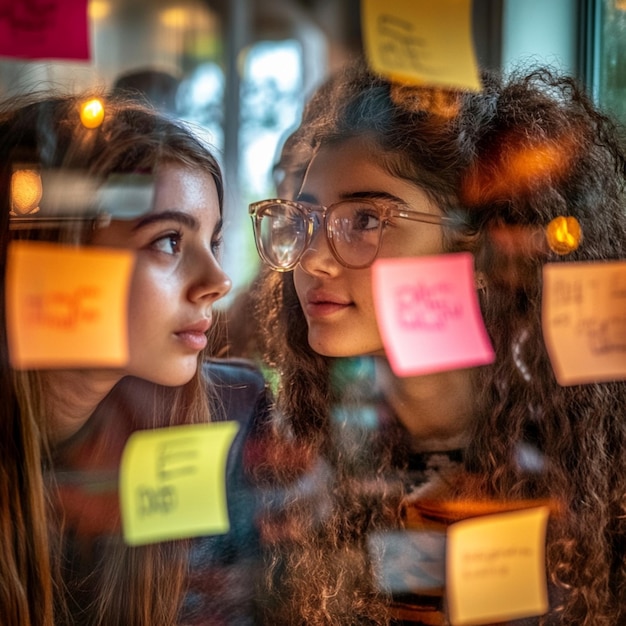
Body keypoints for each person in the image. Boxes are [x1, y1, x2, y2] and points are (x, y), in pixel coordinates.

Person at [248, 59, 626, 625]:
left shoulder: (589, 469)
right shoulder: (309, 453)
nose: (314, 259)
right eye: (305, 219)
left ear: (475, 245)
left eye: (365, 219)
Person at [0, 92, 267, 625]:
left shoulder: (236, 415)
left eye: (214, 242)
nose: (218, 282)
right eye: (169, 241)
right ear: (56, 254)